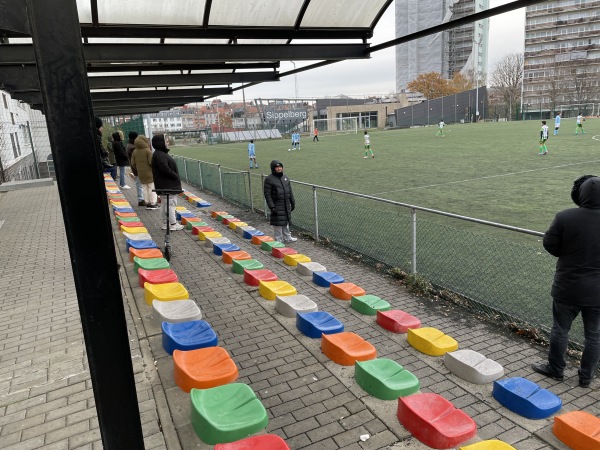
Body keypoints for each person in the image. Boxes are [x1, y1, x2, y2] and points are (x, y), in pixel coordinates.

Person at [532, 175, 600, 388]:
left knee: (560, 329)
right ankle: (586, 377)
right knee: (594, 335)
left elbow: (549, 244)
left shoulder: (565, 217)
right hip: (597, 291)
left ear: (581, 195)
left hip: (568, 286)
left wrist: (569, 253)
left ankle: (556, 369)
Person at [152, 134, 184, 231]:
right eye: (166, 141)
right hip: (168, 185)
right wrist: (175, 176)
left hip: (164, 185)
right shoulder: (160, 155)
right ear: (161, 143)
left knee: (165, 204)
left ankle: (165, 223)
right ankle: (173, 224)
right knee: (171, 204)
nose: (168, 143)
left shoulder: (159, 154)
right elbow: (165, 169)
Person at [263, 160, 296, 243]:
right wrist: (272, 206)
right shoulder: (269, 179)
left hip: (285, 203)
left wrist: (292, 202)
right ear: (273, 168)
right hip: (277, 204)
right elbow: (267, 194)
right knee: (277, 223)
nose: (279, 169)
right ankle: (278, 239)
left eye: (280, 167)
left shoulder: (285, 178)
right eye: (277, 167)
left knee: (286, 221)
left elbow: (289, 191)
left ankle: (287, 237)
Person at [130, 135, 159, 210]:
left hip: (140, 173)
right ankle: (153, 203)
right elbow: (151, 162)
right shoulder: (147, 150)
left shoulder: (135, 151)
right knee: (152, 188)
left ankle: (147, 203)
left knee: (145, 188)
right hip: (149, 173)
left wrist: (138, 168)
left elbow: (132, 163)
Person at [126, 131, 145, 206]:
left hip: (136, 168)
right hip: (137, 168)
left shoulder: (130, 145)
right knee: (139, 184)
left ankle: (142, 199)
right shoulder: (133, 147)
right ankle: (141, 199)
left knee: (140, 184)